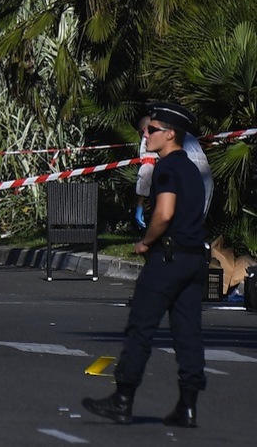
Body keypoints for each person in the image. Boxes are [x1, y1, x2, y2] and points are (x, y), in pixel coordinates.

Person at [83, 102, 208, 428]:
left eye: (152, 130)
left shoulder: (166, 169)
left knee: (141, 326)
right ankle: (188, 405)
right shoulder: (192, 170)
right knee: (188, 333)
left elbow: (164, 213)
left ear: (170, 134)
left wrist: (146, 242)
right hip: (194, 258)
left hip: (167, 258)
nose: (145, 134)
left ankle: (122, 399)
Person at [135, 110, 213, 229]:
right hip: (205, 177)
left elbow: (147, 170)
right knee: (195, 226)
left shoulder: (151, 136)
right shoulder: (182, 133)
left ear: (144, 130)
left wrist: (140, 204)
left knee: (175, 228)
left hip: (182, 178)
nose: (145, 137)